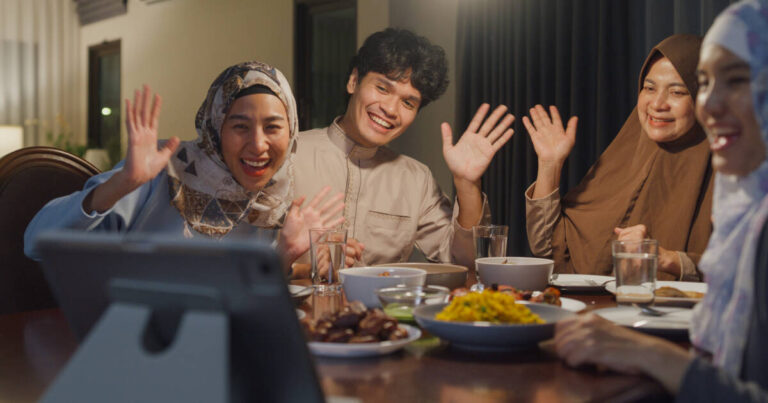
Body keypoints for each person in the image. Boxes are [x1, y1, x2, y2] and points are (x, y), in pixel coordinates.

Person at [554, 1, 768, 400]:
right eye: (706, 84)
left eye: (737, 81)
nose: (711, 104)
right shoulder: (743, 199)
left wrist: (653, 354)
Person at [24, 61, 344, 272]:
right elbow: (36, 242)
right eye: (240, 126)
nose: (258, 145)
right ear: (216, 129)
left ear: (291, 133)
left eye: (273, 127)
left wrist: (285, 254)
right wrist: (123, 182)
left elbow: (237, 301)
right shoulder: (164, 169)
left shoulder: (273, 201)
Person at [292, 28, 514, 275]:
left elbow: (466, 261)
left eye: (408, 102)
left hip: (384, 313)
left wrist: (467, 183)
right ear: (354, 81)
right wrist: (304, 267)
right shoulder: (289, 154)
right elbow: (248, 250)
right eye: (383, 88)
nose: (390, 109)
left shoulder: (416, 179)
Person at [524, 34, 714, 280]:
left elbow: (747, 272)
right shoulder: (624, 153)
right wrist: (549, 166)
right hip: (598, 312)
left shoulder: (734, 173)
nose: (657, 103)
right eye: (649, 88)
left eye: (677, 92)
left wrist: (667, 258)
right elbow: (548, 249)